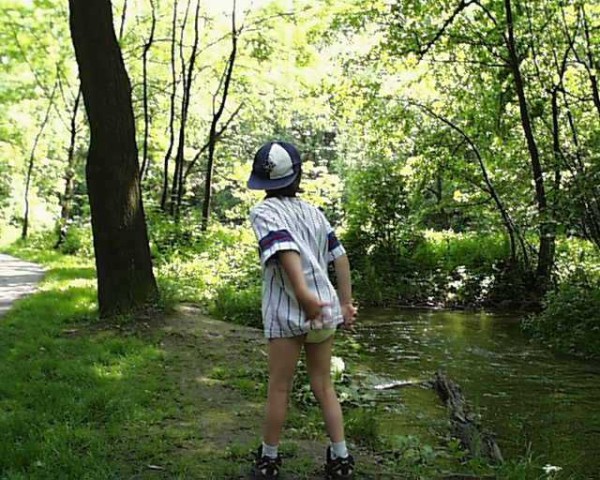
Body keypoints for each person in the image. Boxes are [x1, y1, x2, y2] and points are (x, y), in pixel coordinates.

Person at [247, 141, 357, 480]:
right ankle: (340, 458)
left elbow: (284, 248)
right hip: (324, 310)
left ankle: (269, 460)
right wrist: (345, 302)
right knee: (323, 385)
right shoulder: (314, 212)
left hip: (290, 310)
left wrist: (303, 294)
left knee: (279, 386)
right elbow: (339, 256)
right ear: (297, 177)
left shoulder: (264, 212)